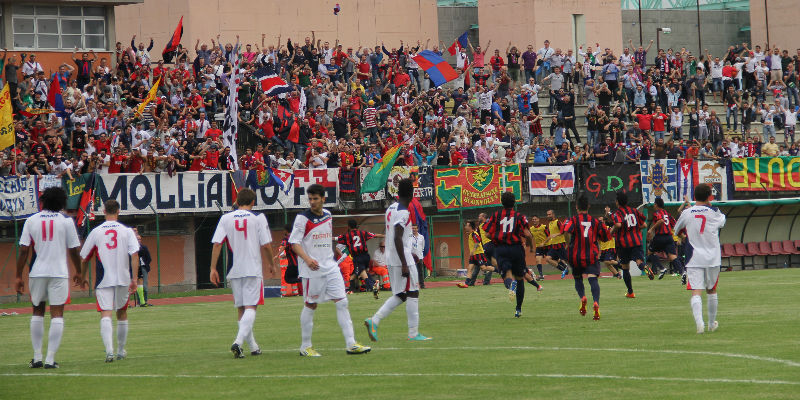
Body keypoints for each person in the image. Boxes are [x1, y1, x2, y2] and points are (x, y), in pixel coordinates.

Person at [290, 184, 371, 356]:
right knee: (311, 305)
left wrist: (333, 254)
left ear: (323, 199)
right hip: (312, 270)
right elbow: (294, 243)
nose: (312, 202)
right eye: (310, 199)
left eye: (315, 198)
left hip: (331, 267)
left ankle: (351, 343)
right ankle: (305, 346)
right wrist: (307, 259)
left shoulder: (328, 215)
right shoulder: (302, 218)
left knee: (342, 302)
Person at [15, 187, 83, 369]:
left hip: (37, 271)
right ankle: (50, 360)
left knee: (37, 312)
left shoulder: (31, 220)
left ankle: (37, 357)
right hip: (58, 272)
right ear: (62, 203)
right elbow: (73, 250)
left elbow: (24, 250)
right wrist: (79, 271)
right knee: (57, 314)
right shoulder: (66, 221)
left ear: (43, 201)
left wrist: (18, 276)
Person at [209, 188, 277, 358]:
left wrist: (213, 268)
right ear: (253, 202)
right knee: (251, 307)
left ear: (237, 201)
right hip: (252, 268)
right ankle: (238, 342)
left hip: (234, 269)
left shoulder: (225, 218)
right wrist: (271, 264)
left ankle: (253, 347)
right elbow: (266, 245)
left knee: (241, 308)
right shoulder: (258, 218)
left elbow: (217, 244)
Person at [365, 179, 432, 342]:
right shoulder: (403, 211)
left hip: (392, 257)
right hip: (402, 258)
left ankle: (374, 320)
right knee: (413, 292)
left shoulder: (391, 208)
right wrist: (404, 262)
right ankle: (413, 333)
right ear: (412, 194)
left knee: (401, 294)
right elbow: (397, 236)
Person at [79, 199, 140, 362]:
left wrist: (82, 277)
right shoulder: (127, 231)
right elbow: (135, 255)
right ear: (118, 211)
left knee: (106, 313)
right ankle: (120, 350)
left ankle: (109, 352)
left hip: (103, 279)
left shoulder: (96, 232)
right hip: (123, 278)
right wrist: (134, 278)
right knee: (122, 312)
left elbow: (84, 258)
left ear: (104, 211)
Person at [673, 184, 726, 334]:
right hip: (712, 257)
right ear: (709, 197)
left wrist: (684, 234)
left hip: (694, 257)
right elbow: (722, 222)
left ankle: (699, 324)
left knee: (696, 291)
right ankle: (711, 324)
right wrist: (709, 206)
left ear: (694, 196)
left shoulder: (687, 212)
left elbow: (676, 230)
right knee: (711, 289)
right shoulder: (715, 212)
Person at [484, 192, 536, 318]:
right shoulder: (519, 216)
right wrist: (531, 247)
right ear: (514, 202)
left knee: (506, 274)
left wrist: (497, 239)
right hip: (517, 249)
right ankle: (518, 309)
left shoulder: (496, 215)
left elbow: (487, 234)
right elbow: (528, 235)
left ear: (502, 202)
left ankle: (510, 284)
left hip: (501, 249)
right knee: (520, 278)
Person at [558, 196, 611, 320]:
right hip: (591, 255)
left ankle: (582, 297)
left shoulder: (573, 219)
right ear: (588, 206)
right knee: (593, 279)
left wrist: (567, 244)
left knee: (578, 278)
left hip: (575, 256)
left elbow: (565, 231)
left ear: (576, 207)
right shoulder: (595, 221)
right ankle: (596, 302)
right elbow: (606, 237)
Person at [609, 191, 653, 299]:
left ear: (617, 202)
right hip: (636, 241)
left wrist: (611, 231)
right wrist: (634, 228)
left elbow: (618, 224)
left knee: (625, 267)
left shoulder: (617, 213)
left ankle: (630, 292)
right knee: (639, 261)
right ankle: (645, 267)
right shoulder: (634, 211)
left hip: (623, 243)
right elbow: (644, 224)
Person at [336, 219, 384, 298]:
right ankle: (350, 290)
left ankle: (374, 286)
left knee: (363, 274)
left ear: (349, 226)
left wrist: (324, 238)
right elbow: (375, 235)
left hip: (357, 257)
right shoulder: (363, 233)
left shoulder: (347, 235)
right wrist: (385, 235)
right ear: (356, 226)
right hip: (366, 256)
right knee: (354, 275)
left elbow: (336, 238)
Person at [647, 198, 682, 280]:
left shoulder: (657, 213)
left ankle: (662, 268)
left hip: (660, 237)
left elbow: (661, 220)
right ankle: (682, 272)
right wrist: (679, 235)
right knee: (673, 256)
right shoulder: (667, 214)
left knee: (649, 252)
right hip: (669, 237)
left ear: (656, 204)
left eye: (654, 204)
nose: (654, 206)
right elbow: (675, 224)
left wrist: (651, 229)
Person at [457, 220, 492, 287]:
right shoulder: (471, 234)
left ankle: (498, 270)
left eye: (467, 225)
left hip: (478, 254)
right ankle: (466, 284)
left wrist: (473, 250)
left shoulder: (474, 234)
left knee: (484, 268)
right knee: (469, 269)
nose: (465, 227)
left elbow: (477, 242)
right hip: (474, 255)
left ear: (470, 227)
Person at [543, 209, 570, 279]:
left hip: (560, 244)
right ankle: (563, 269)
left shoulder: (558, 222)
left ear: (553, 214)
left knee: (566, 260)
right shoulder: (550, 223)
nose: (548, 216)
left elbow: (563, 231)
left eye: (549, 214)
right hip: (554, 246)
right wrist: (544, 242)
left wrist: (557, 234)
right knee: (548, 259)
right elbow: (551, 235)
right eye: (547, 214)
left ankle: (580, 269)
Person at [132, 228, 153, 307]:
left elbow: (149, 258)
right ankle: (139, 302)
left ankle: (145, 301)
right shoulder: (131, 247)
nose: (139, 240)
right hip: (134, 268)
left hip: (143, 267)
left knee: (144, 286)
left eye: (140, 239)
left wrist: (145, 264)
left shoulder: (144, 248)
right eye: (137, 239)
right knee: (135, 285)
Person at [529, 215, 548, 280]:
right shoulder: (531, 229)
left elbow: (549, 236)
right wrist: (531, 247)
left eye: (535, 219)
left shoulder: (544, 227)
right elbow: (530, 238)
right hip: (539, 247)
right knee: (537, 260)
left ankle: (564, 267)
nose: (534, 220)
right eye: (533, 219)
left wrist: (544, 243)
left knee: (554, 259)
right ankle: (541, 275)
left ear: (538, 219)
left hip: (547, 246)